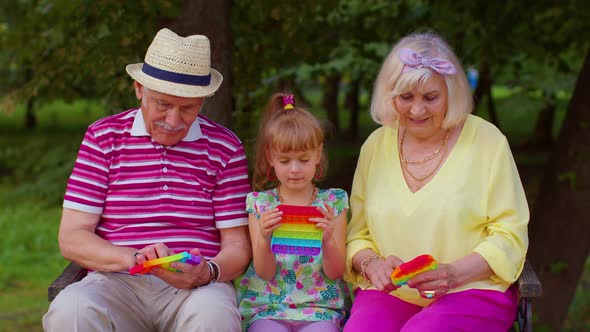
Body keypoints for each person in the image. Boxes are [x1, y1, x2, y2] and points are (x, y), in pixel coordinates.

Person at [43, 28, 252, 332]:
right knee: (69, 310)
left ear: (203, 100)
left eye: (188, 108)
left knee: (214, 316)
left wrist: (208, 272)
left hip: (196, 290)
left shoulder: (225, 147)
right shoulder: (103, 138)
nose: (173, 120)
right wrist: (136, 258)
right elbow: (73, 237)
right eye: (163, 104)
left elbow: (236, 245)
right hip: (116, 283)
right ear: (139, 88)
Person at [343, 32, 529, 332]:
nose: (417, 110)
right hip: (392, 293)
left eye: (430, 97)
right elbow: (358, 234)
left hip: (473, 289)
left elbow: (510, 235)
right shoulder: (375, 146)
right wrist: (370, 264)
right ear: (390, 96)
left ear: (451, 93)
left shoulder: (488, 142)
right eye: (406, 97)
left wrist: (453, 273)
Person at [234, 93, 351, 332]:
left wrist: (328, 239)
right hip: (268, 308)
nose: (295, 170)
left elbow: (335, 271)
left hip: (320, 308)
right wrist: (264, 238)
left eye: (304, 159)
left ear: (318, 155)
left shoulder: (333, 202)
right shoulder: (260, 204)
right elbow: (265, 273)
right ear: (270, 158)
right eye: (285, 161)